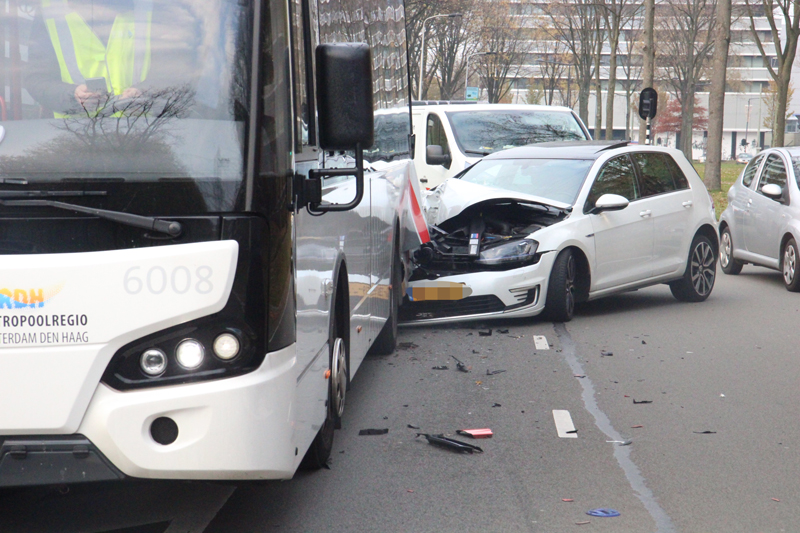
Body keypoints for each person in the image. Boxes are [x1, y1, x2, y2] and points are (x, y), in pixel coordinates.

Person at [26, 0, 153, 116]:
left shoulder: (151, 5)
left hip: (142, 130)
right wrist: (73, 95)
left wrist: (143, 92)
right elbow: (37, 80)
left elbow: (169, 71)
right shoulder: (49, 9)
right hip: (78, 134)